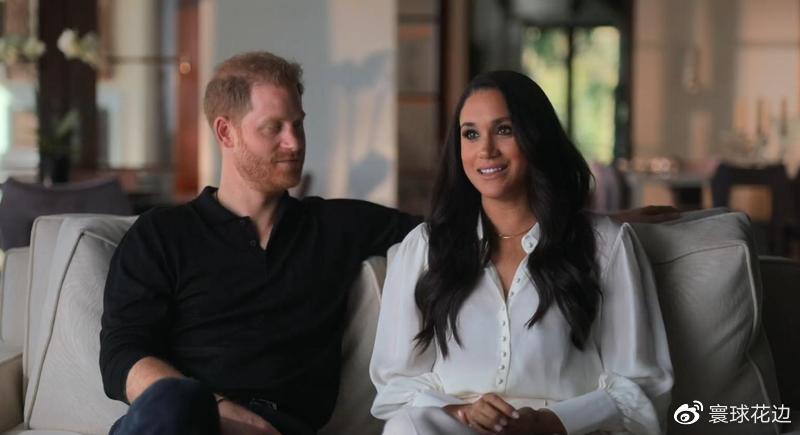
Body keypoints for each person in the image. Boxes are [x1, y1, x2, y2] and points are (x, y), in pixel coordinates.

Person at [99, 51, 420, 435]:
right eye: (274, 128)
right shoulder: (161, 234)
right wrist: (220, 411)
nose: (294, 142)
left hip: (284, 427)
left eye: (298, 125)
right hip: (185, 421)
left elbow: (453, 235)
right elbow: (123, 354)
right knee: (174, 402)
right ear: (225, 132)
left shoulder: (335, 226)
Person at [369, 71, 674, 435]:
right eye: (470, 134)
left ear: (535, 137)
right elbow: (395, 387)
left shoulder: (605, 244)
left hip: (566, 430)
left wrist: (549, 422)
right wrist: (462, 412)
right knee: (404, 427)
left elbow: (642, 385)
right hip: (458, 430)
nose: (486, 150)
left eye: (504, 130)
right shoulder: (425, 247)